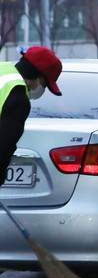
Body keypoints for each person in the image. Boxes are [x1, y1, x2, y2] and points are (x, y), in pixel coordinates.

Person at [0, 46, 62, 186]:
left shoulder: (2, 68)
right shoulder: (18, 99)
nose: (43, 89)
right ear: (36, 75)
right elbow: (4, 145)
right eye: (45, 84)